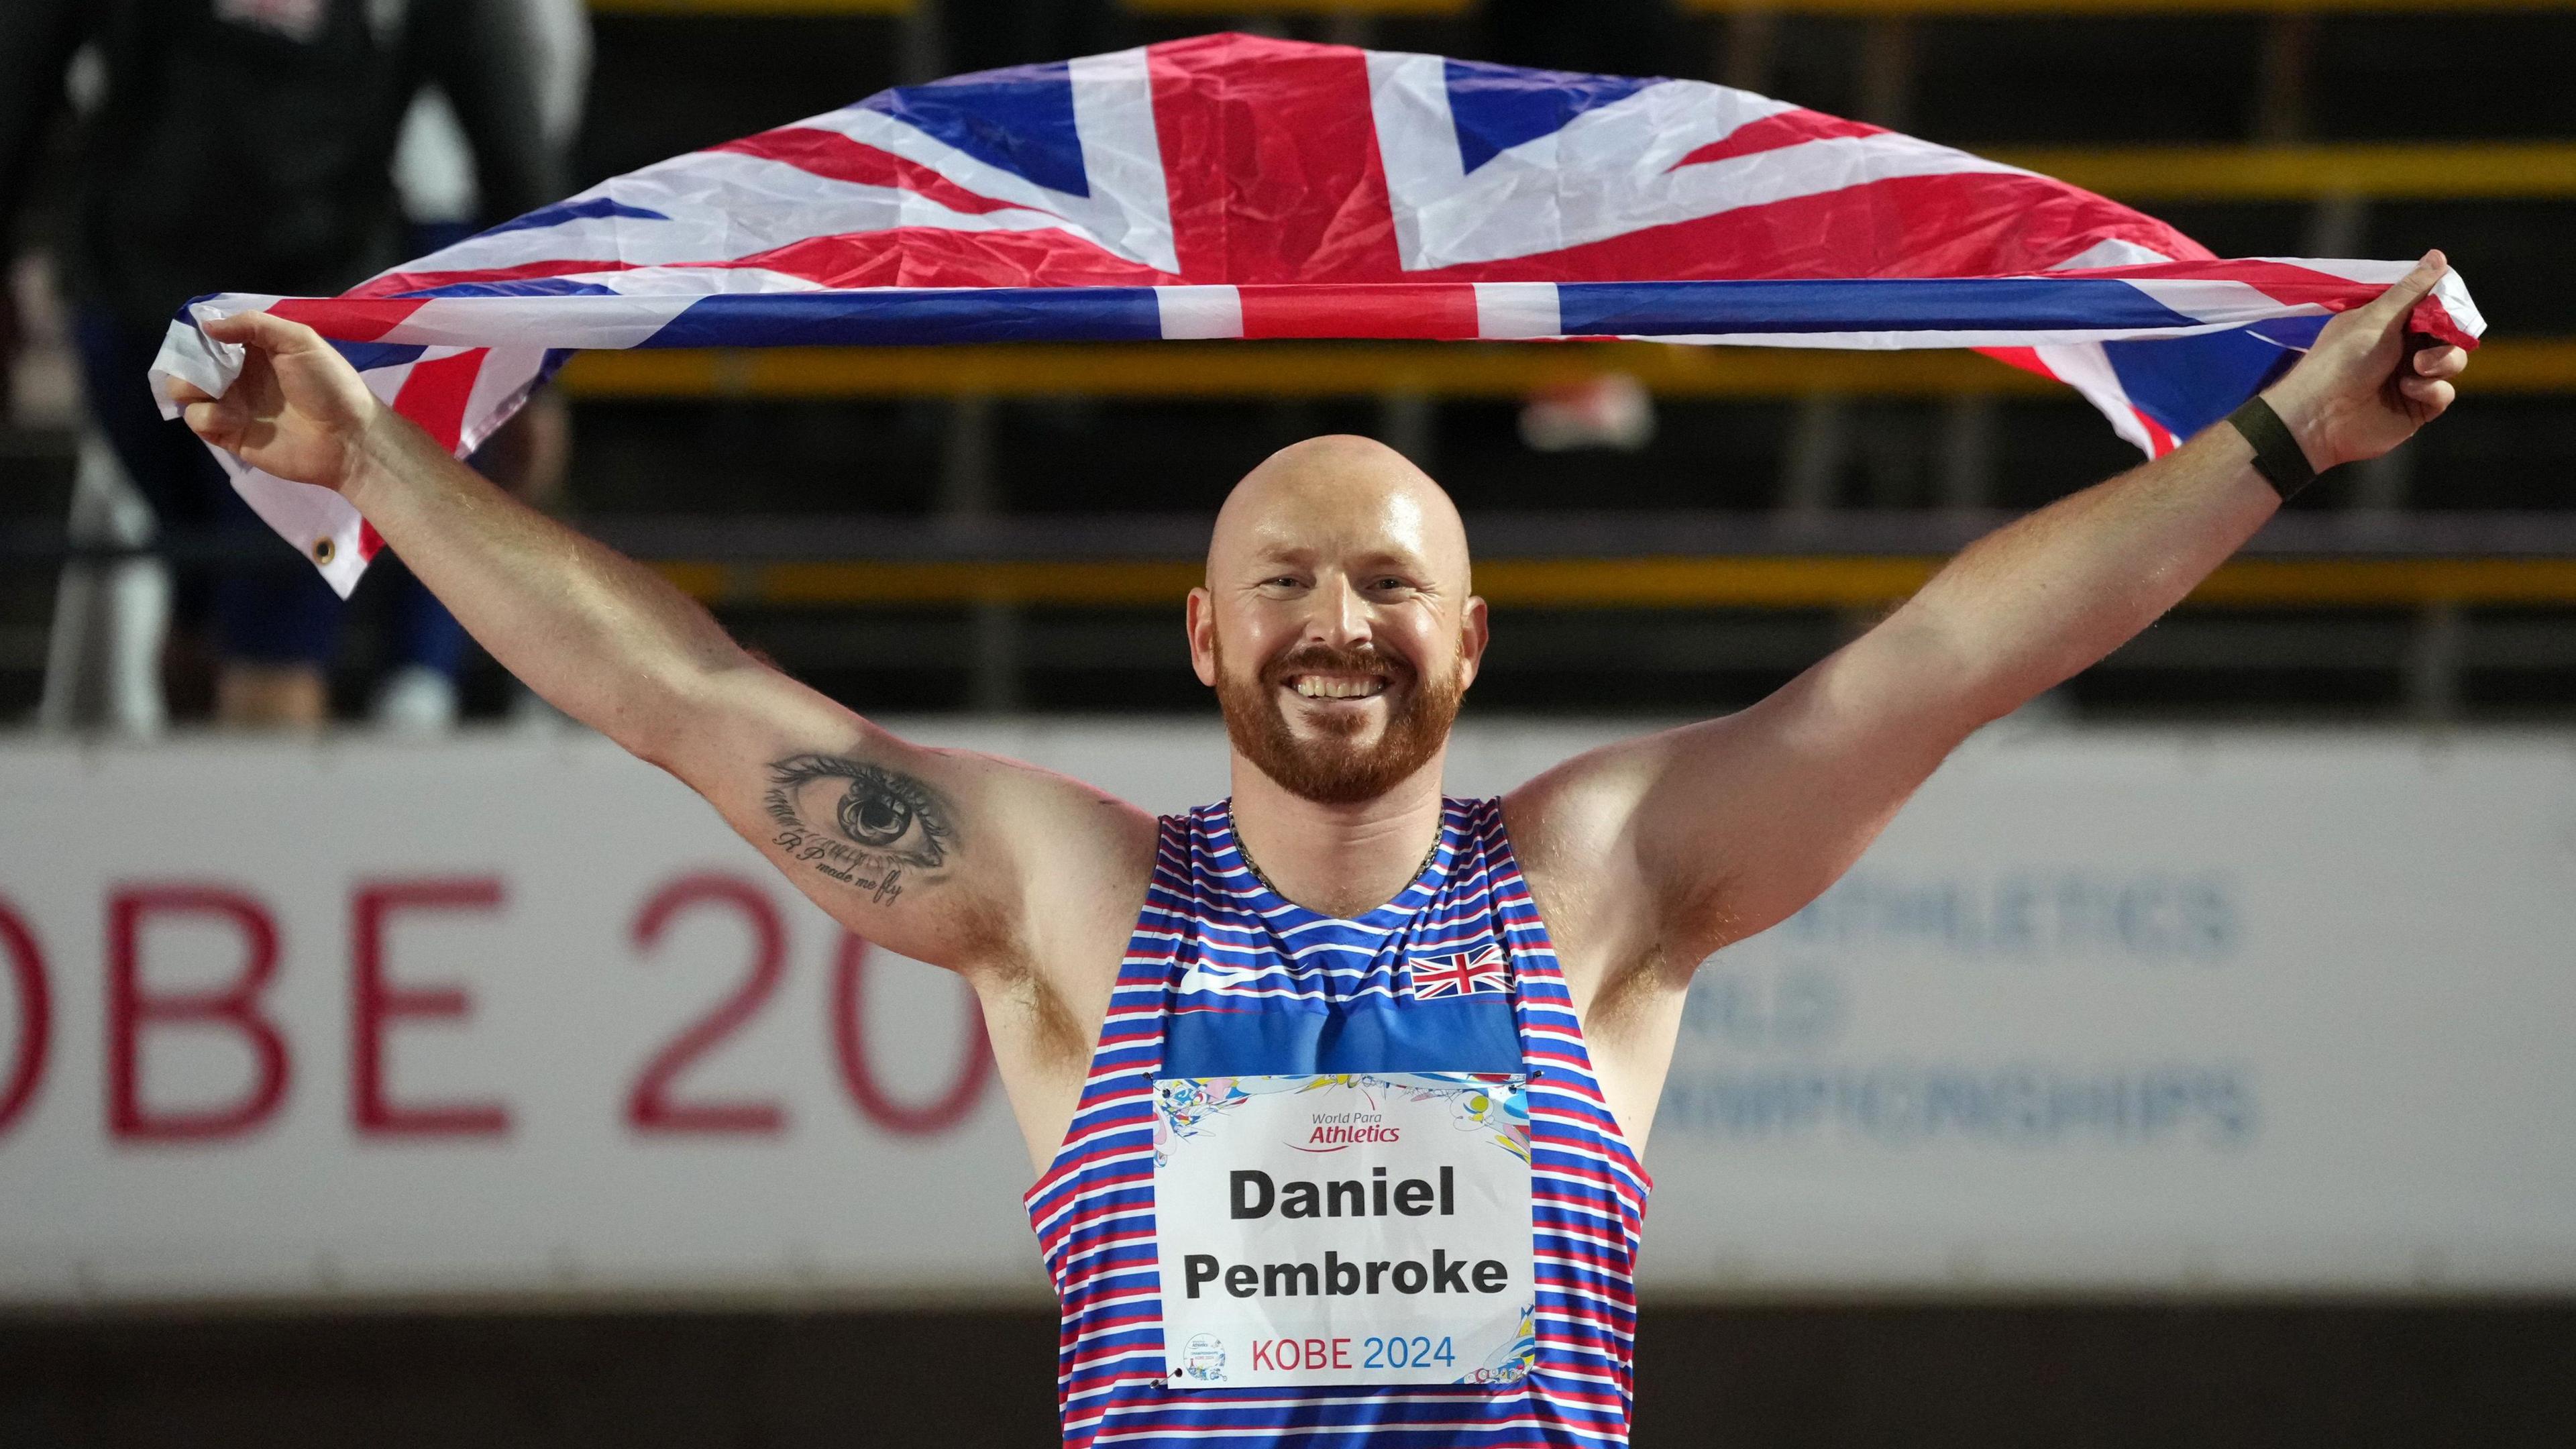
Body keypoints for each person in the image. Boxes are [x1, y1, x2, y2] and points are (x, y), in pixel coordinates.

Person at [169, 255, 2466, 1446]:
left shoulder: (1605, 881)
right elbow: (689, 701)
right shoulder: (1067, 902)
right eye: (1284, 578)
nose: (1336, 622)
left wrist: (2274, 434)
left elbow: (1946, 655)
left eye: (1384, 582)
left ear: (1473, 633)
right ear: (1202, 630)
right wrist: (372, 462)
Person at [0, 0, 566, 728]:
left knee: (249, 619)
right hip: (184, 311)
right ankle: (200, 824)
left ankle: (209, 822)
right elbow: (25, 62)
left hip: (273, 322)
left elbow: (504, 122)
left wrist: (537, 355)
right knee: (219, 609)